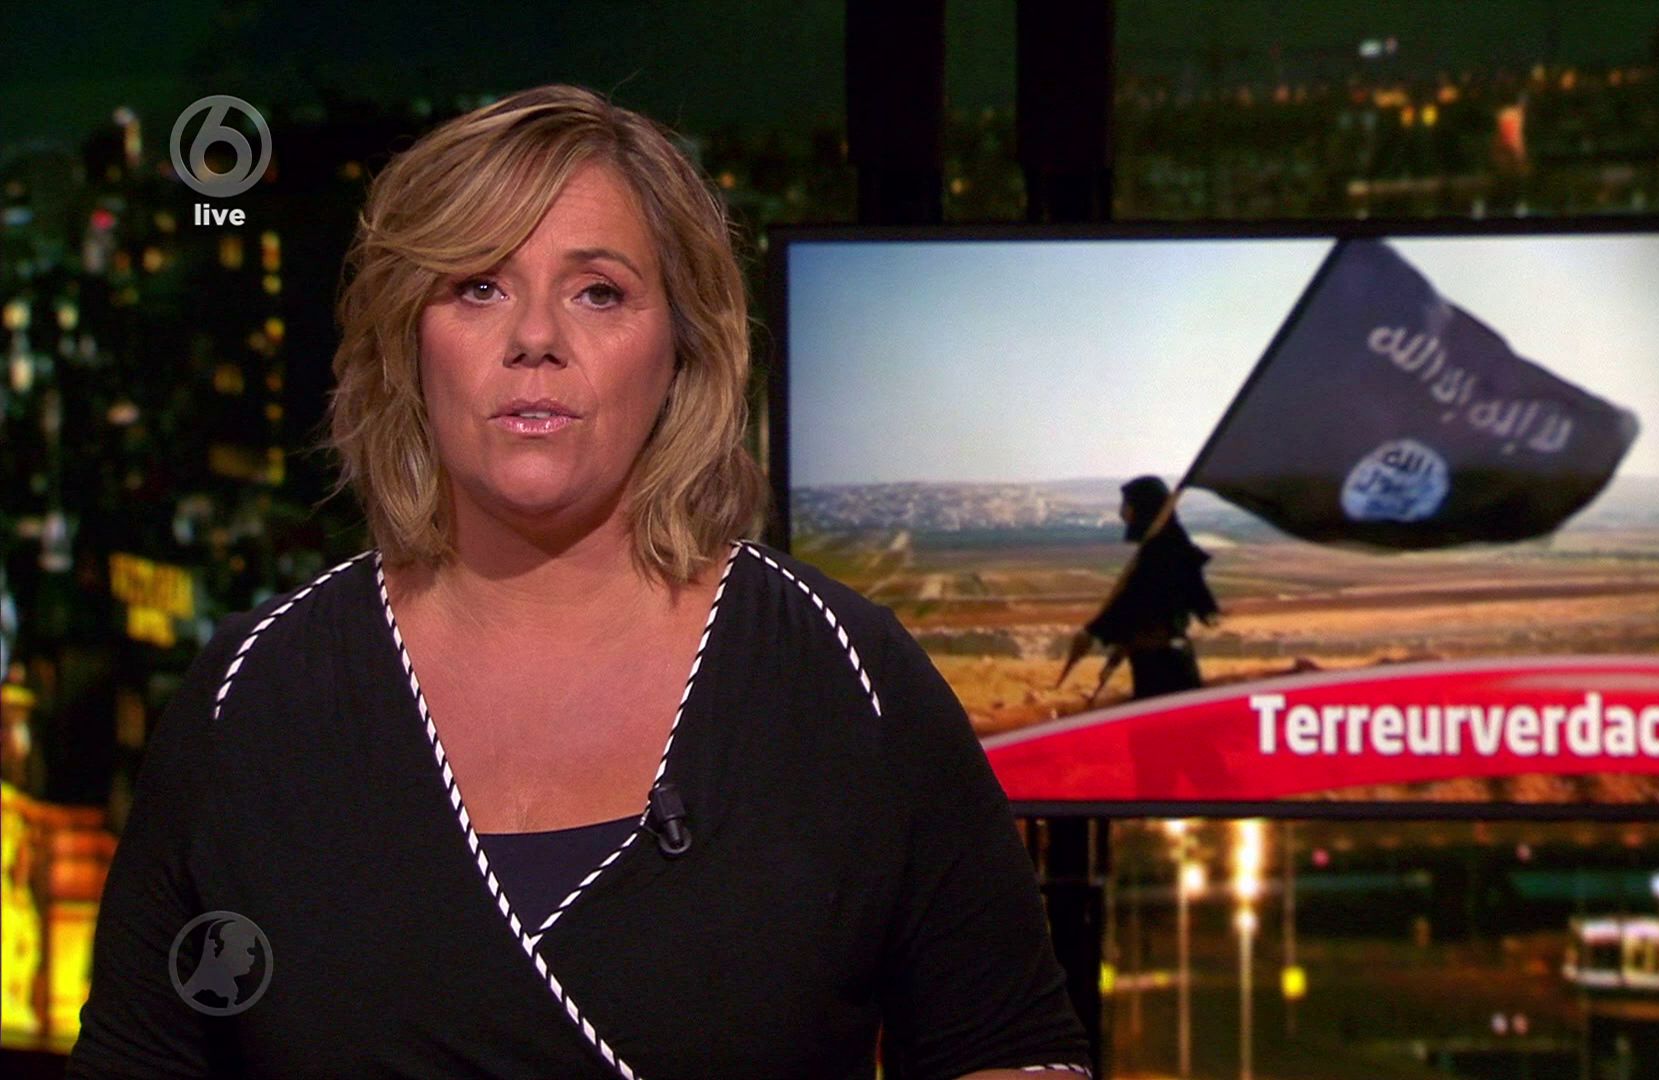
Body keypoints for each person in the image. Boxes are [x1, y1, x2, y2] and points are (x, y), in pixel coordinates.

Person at [69, 85, 1090, 1080]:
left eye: (598, 291)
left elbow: (1007, 1048)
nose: (535, 339)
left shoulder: (849, 683)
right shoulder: (252, 696)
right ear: (407, 340)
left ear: (682, 347)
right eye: (479, 287)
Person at [1074, 476, 1220, 700]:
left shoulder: (1163, 552)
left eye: (1127, 504)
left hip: (1162, 663)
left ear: (1143, 507)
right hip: (1166, 658)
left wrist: (1093, 631)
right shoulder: (1170, 546)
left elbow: (1135, 601)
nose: (1122, 513)